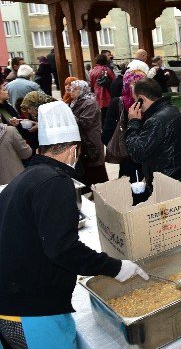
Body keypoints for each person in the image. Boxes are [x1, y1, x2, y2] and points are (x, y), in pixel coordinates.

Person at [0, 101, 147, 348]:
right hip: (30, 310)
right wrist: (115, 267)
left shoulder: (25, 178)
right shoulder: (55, 181)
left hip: (13, 300)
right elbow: (63, 248)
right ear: (72, 151)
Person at [125, 78, 181, 192]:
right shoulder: (174, 110)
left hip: (165, 184)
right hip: (180, 179)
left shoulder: (156, 120)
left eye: (135, 99)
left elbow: (137, 153)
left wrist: (133, 122)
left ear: (141, 99)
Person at [102, 71, 145, 182]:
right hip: (147, 157)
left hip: (126, 158)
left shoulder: (117, 103)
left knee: (130, 191)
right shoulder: (148, 103)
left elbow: (106, 134)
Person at [68, 80, 109, 187]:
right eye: (71, 88)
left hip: (91, 140)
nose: (71, 91)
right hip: (83, 140)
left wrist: (68, 114)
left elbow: (85, 123)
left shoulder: (90, 103)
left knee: (95, 167)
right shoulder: (75, 101)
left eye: (75, 89)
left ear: (83, 89)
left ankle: (101, 191)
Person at [88, 54, 116, 123]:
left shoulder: (93, 70)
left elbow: (91, 84)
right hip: (106, 95)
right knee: (107, 114)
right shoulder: (106, 69)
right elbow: (114, 80)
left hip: (97, 94)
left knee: (101, 115)